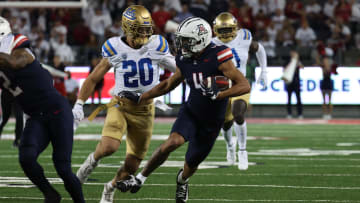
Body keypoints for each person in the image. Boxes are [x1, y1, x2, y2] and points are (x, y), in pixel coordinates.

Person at [116, 17, 251, 203]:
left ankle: (182, 181)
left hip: (212, 121)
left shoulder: (219, 55)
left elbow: (244, 85)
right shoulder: (184, 58)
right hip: (191, 112)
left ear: (201, 39)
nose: (182, 45)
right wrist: (141, 97)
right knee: (171, 143)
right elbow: (168, 85)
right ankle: (139, 178)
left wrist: (220, 94)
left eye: (186, 40)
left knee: (191, 164)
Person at [72, 5, 176, 203]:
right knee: (109, 147)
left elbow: (179, 69)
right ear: (127, 28)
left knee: (132, 166)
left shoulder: (157, 45)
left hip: (145, 110)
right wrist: (79, 103)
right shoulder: (114, 47)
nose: (146, 33)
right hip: (120, 105)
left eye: (147, 28)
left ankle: (109, 188)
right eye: (141, 29)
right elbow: (94, 78)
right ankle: (89, 163)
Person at [0, 17, 84, 203]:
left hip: (57, 111)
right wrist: (3, 122)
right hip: (36, 117)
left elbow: (15, 63)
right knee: (26, 157)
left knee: (62, 167)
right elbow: (7, 94)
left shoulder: (21, 49)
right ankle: (50, 194)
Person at [212, 12, 268, 169]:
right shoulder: (211, 44)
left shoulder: (244, 37)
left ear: (235, 28)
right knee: (225, 123)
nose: (224, 34)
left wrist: (264, 71)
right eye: (221, 30)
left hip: (241, 83)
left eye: (227, 29)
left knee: (239, 114)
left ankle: (243, 151)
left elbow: (259, 48)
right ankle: (230, 146)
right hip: (223, 86)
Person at [284, 50, 303, 119]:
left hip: (296, 82)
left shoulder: (297, 61)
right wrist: (292, 62)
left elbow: (302, 67)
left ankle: (300, 114)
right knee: (289, 99)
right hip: (289, 82)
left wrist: (296, 60)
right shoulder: (288, 61)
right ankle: (289, 113)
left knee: (298, 99)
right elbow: (284, 69)